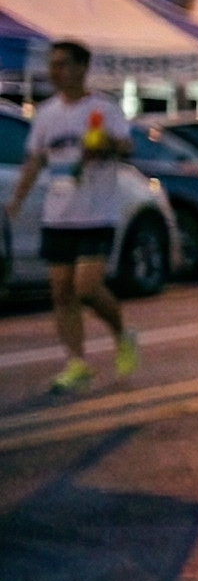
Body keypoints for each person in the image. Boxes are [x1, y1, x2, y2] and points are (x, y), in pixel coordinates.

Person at [7, 41, 139, 394]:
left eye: (63, 64)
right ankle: (77, 363)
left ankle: (122, 335)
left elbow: (127, 146)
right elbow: (35, 159)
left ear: (82, 67)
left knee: (87, 288)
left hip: (96, 213)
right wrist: (16, 200)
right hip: (58, 214)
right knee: (62, 292)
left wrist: (107, 144)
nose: (55, 71)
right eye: (52, 65)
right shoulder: (47, 113)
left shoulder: (103, 109)